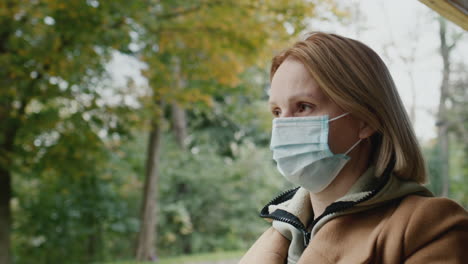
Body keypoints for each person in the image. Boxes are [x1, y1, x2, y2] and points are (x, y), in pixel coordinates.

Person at [239, 32, 468, 264]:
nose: (283, 126)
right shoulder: (279, 233)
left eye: (304, 107)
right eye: (277, 111)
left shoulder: (428, 226)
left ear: (366, 120)